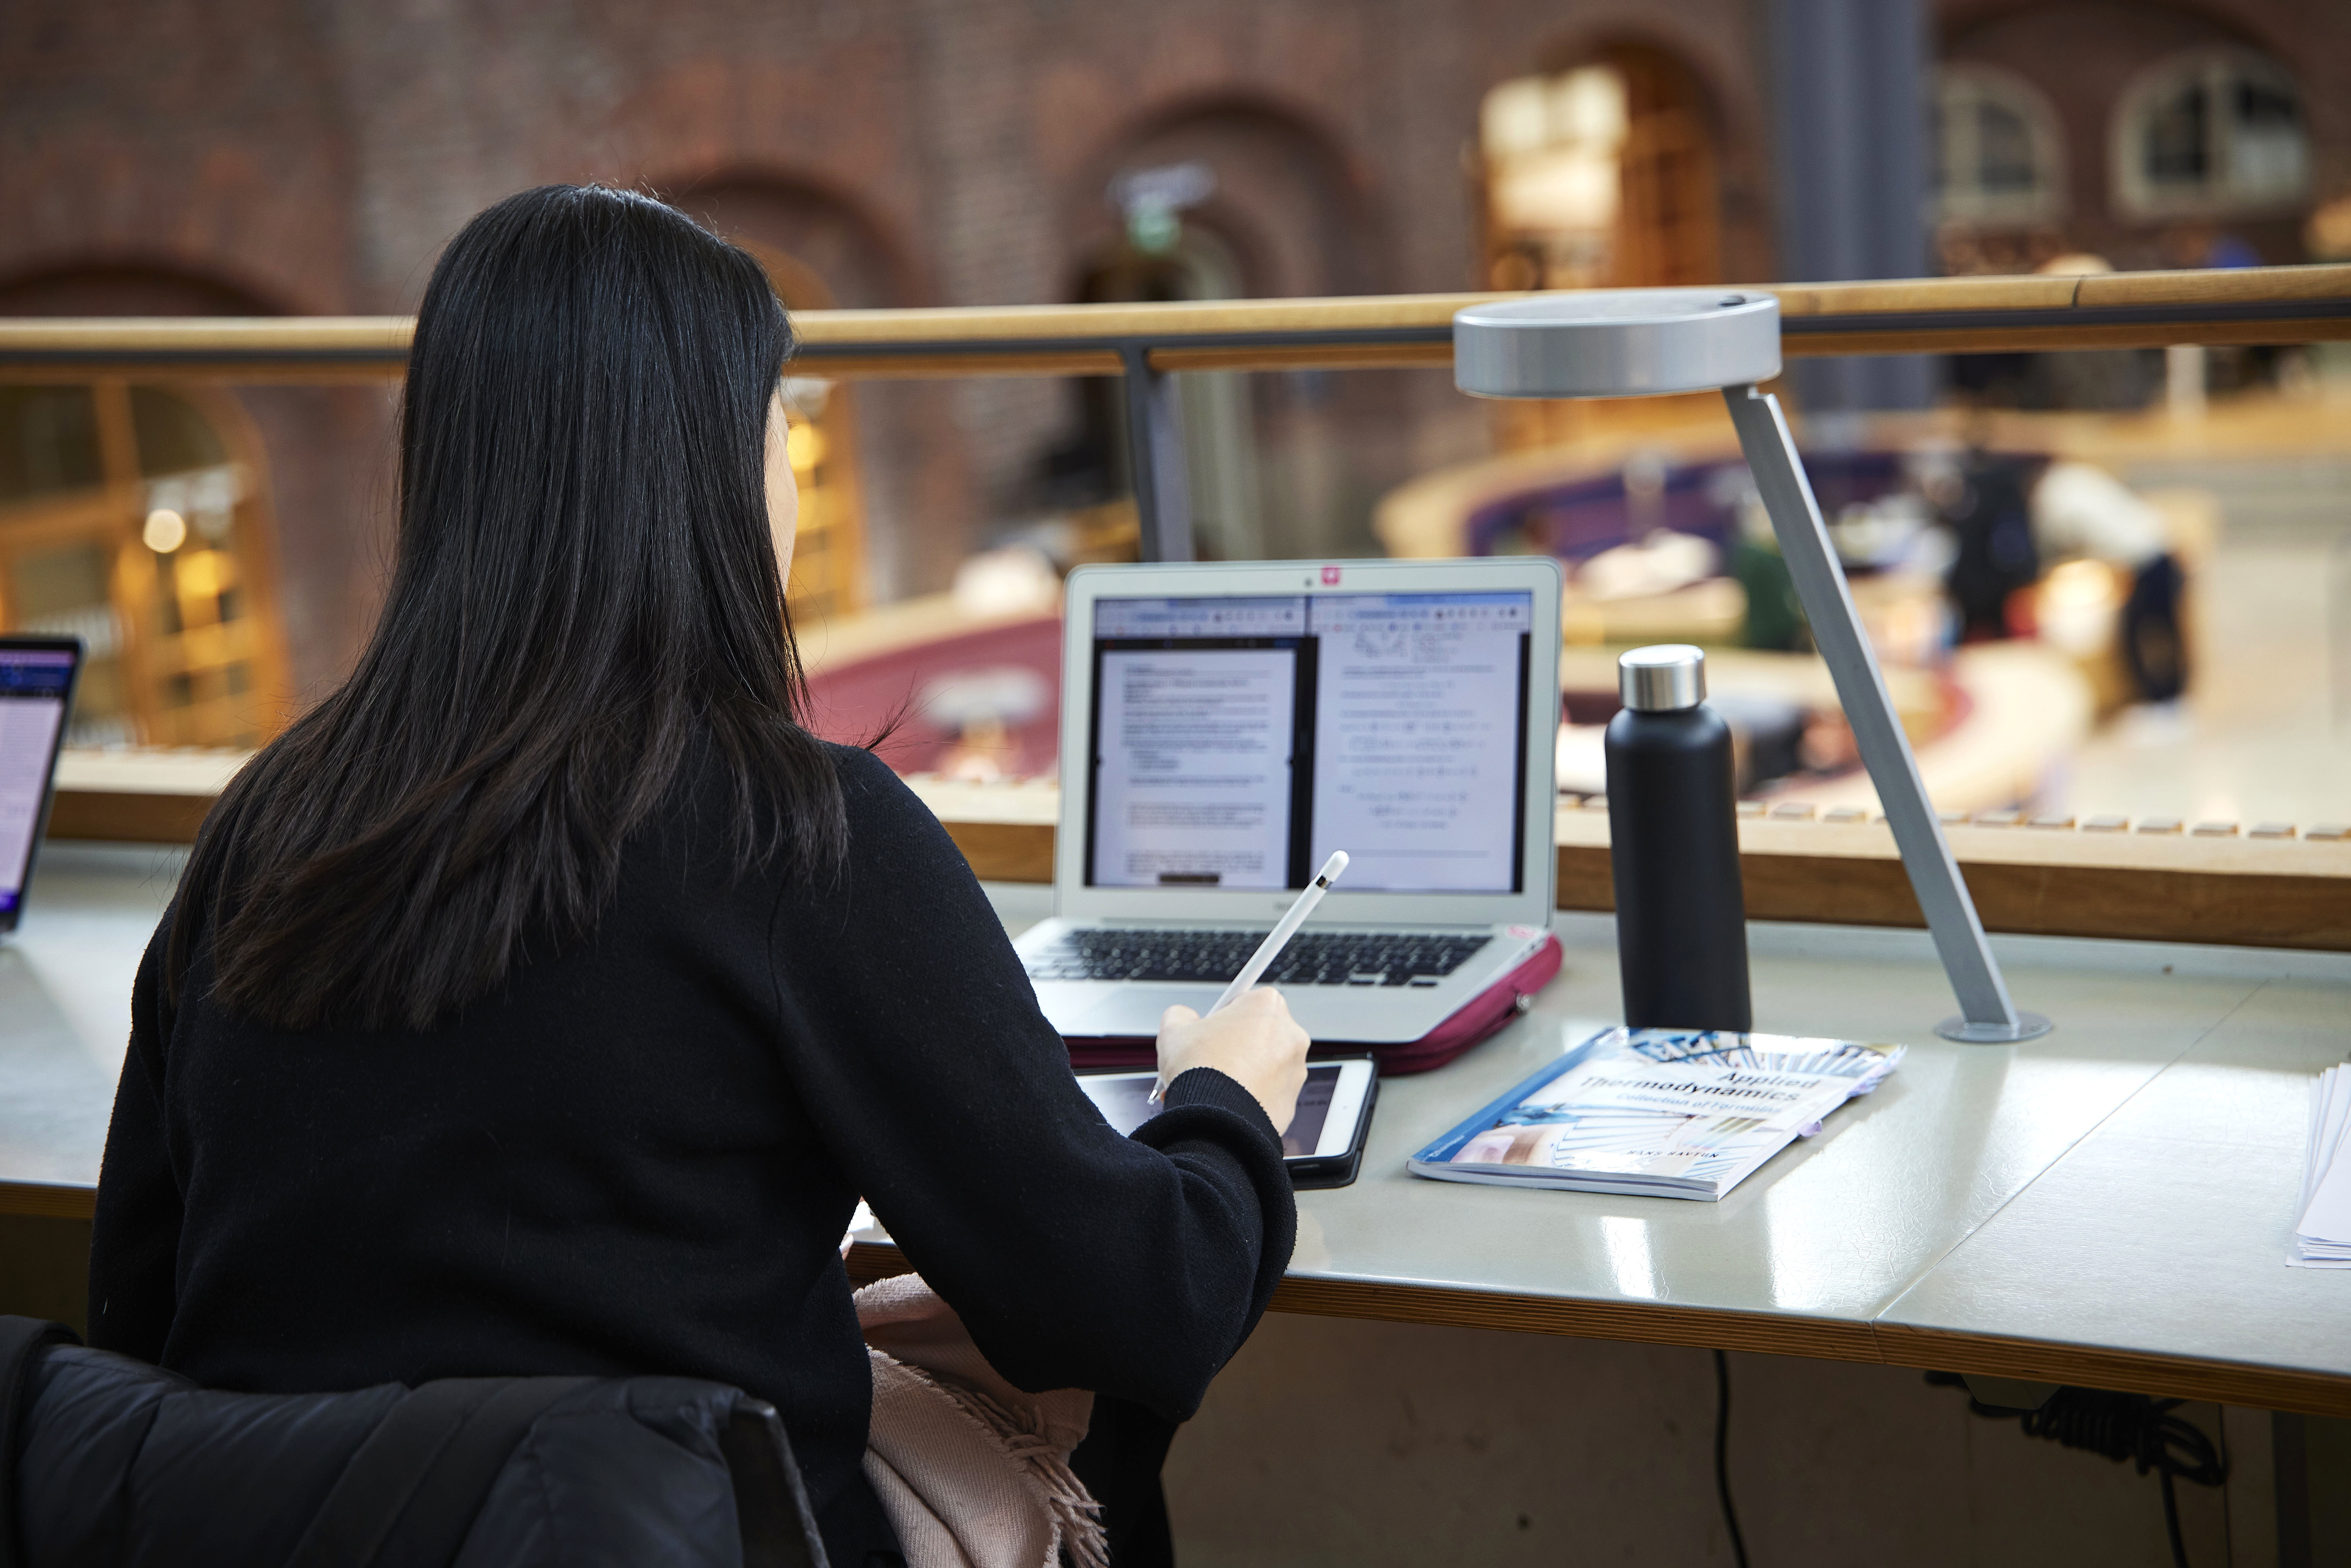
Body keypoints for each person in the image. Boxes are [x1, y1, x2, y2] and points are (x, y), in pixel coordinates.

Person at [86, 184, 1310, 1567]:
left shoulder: (262, 824)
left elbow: (137, 1309)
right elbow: (1140, 1309)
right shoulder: (798, 834)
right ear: (717, 467)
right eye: (781, 422)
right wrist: (1224, 1108)